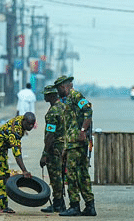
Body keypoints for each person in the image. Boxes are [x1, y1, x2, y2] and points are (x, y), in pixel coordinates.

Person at [54, 75, 96, 217]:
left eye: (58, 89)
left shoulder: (75, 95)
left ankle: (75, 206)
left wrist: (83, 131)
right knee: (82, 174)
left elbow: (88, 111)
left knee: (72, 175)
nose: (58, 92)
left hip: (76, 143)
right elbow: (70, 124)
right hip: (72, 144)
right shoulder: (68, 100)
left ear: (62, 87)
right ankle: (90, 206)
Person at [0, 112, 36, 213]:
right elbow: (17, 153)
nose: (31, 126)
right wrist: (24, 170)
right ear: (24, 121)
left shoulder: (21, 120)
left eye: (33, 124)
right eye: (28, 124)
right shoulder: (15, 131)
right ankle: (3, 207)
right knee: (3, 177)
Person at [40, 85, 67, 213]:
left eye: (46, 95)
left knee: (55, 177)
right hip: (64, 147)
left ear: (51, 96)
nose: (44, 97)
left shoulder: (53, 112)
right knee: (61, 175)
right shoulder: (63, 107)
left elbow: (50, 135)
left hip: (54, 148)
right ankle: (61, 203)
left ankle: (57, 204)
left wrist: (45, 153)